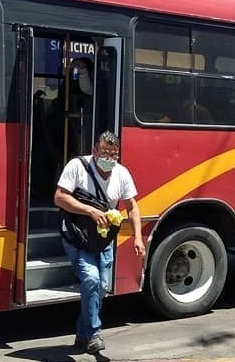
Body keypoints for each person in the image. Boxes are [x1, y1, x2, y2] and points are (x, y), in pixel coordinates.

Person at [53, 131, 145, 354]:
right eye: (104, 153)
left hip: (103, 240)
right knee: (92, 280)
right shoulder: (77, 166)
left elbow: (132, 206)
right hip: (77, 236)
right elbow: (59, 197)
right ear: (94, 151)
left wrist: (138, 238)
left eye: (114, 155)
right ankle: (94, 332)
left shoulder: (121, 173)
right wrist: (90, 211)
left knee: (101, 287)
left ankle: (82, 335)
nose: (109, 158)